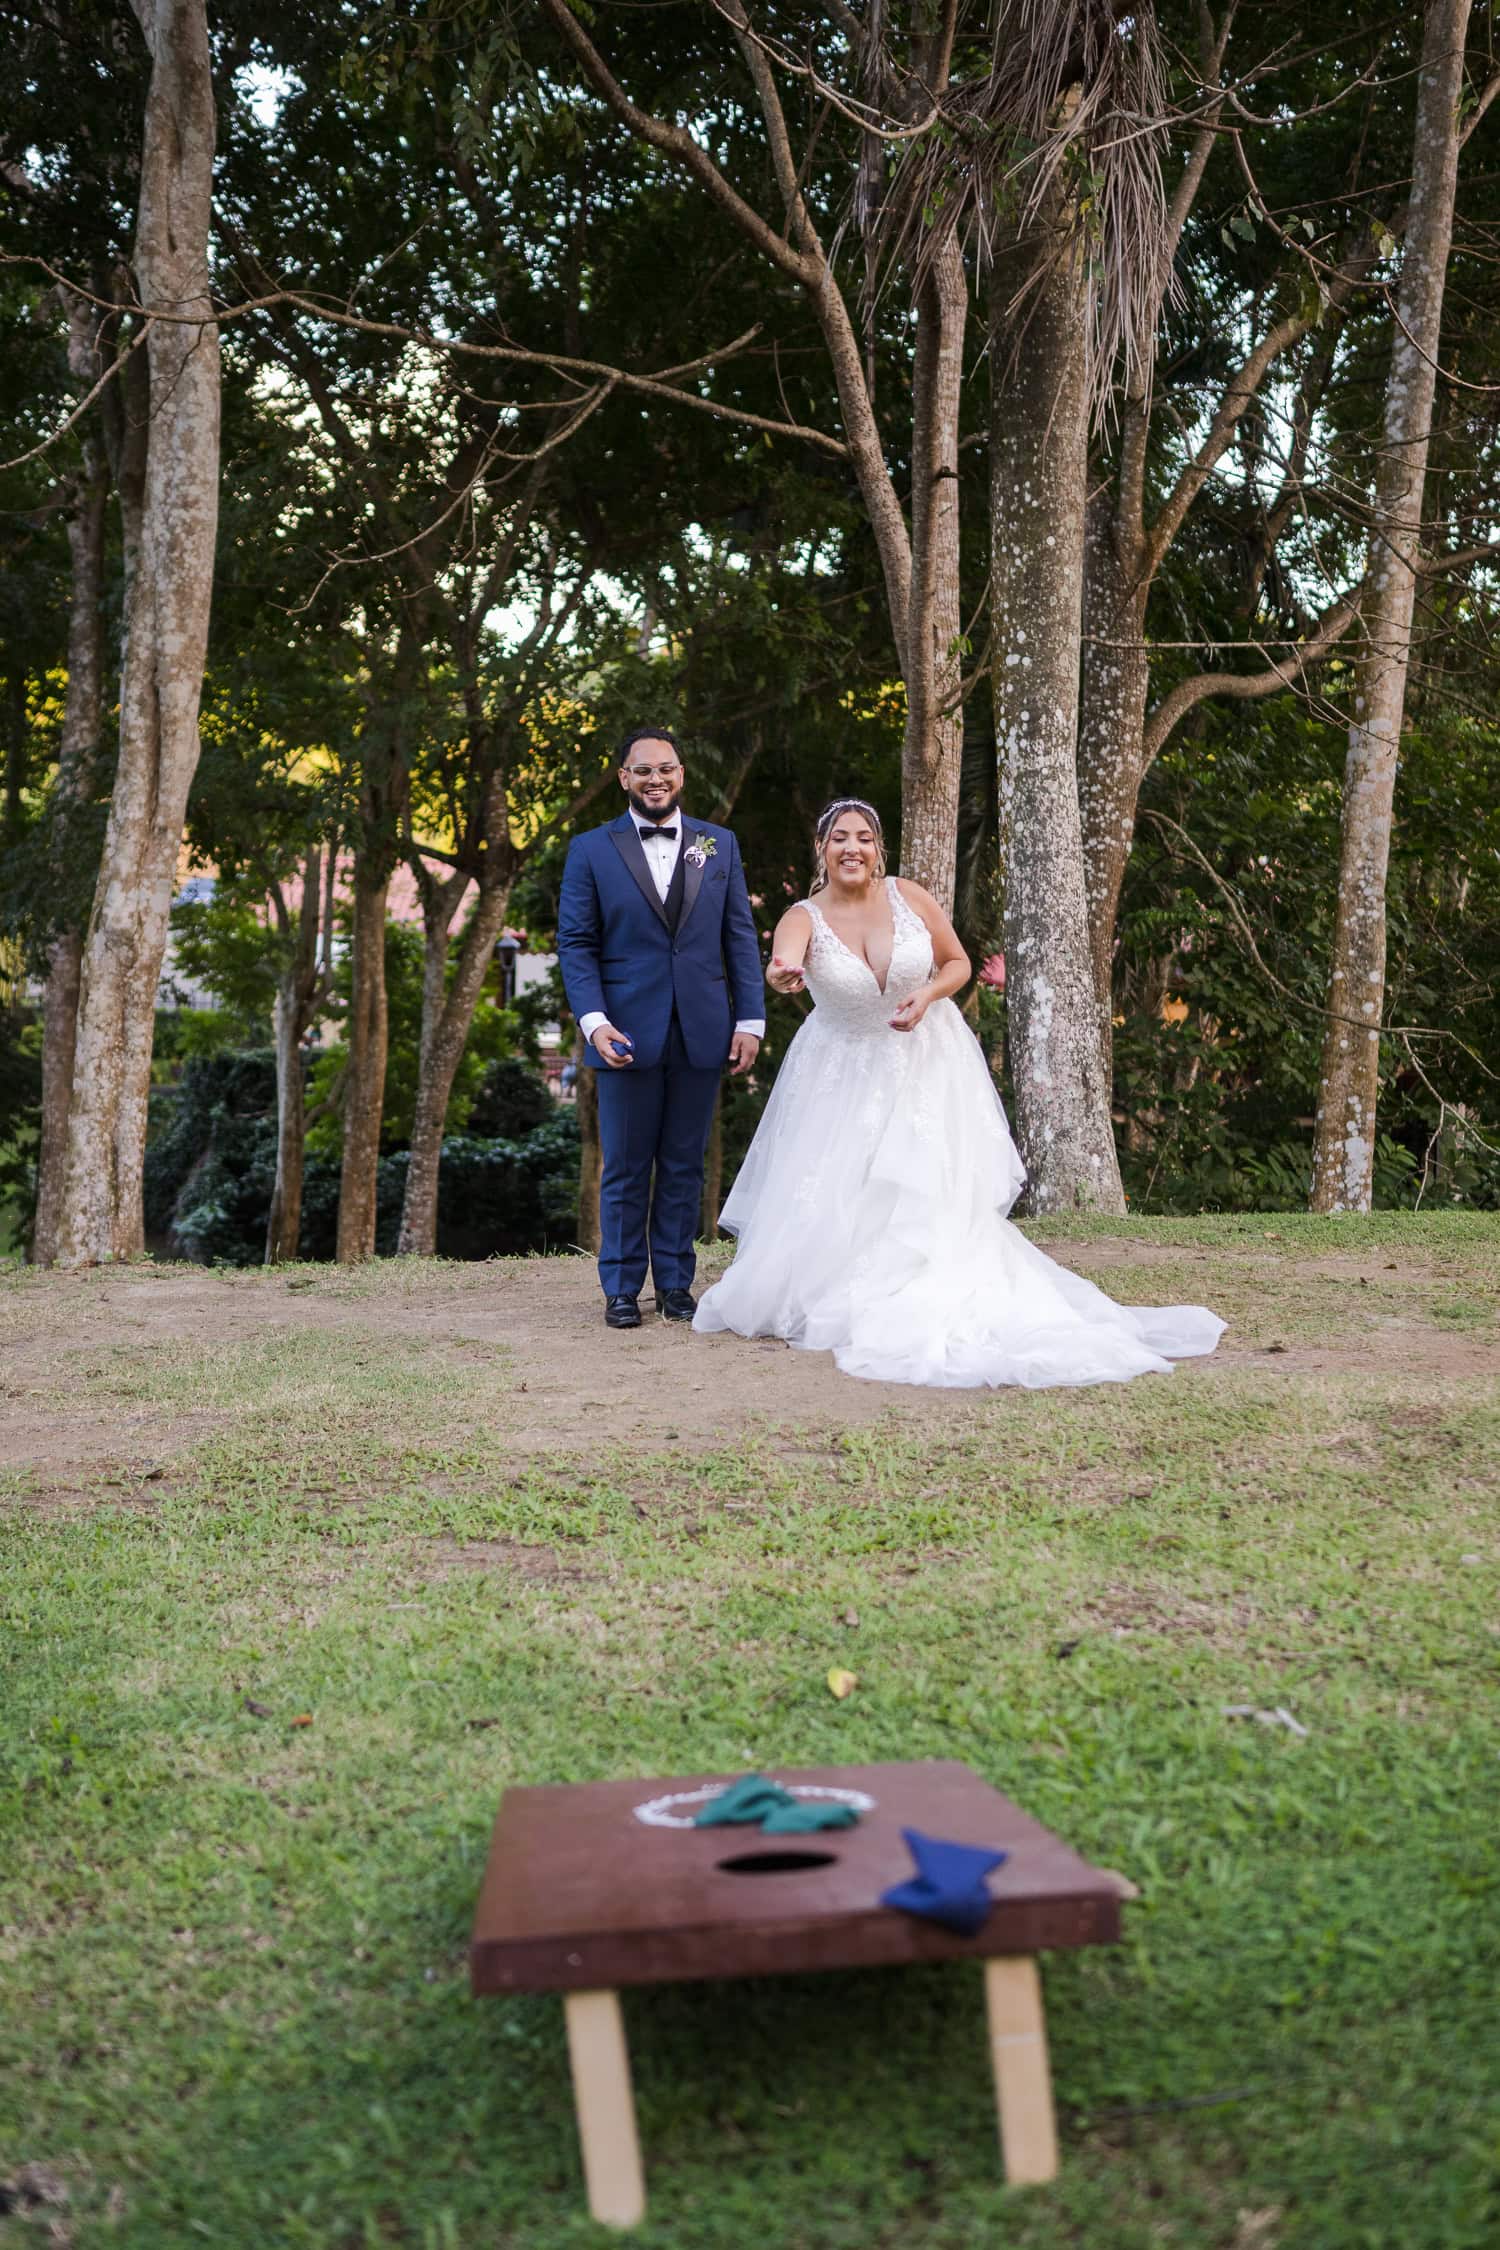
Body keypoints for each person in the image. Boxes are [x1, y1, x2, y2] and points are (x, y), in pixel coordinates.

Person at [693, 797, 1225, 1387]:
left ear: (878, 848)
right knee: (847, 1186)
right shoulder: (802, 916)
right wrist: (782, 974)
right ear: (821, 848)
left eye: (864, 837)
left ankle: (930, 1274)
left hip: (927, 1060)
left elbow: (957, 963)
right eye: (839, 837)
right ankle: (850, 1287)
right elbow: (782, 963)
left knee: (927, 1186)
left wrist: (926, 996)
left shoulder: (908, 895)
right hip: (840, 1072)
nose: (852, 848)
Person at [557, 727, 764, 1328]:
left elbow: (739, 938)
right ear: (624, 778)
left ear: (681, 774)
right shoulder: (591, 850)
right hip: (623, 1032)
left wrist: (748, 1018)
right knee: (624, 1163)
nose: (656, 779)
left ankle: (676, 1284)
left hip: (703, 1029)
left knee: (683, 1164)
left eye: (666, 769)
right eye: (643, 770)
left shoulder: (717, 844)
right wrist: (594, 1022)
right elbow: (576, 943)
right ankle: (620, 1288)